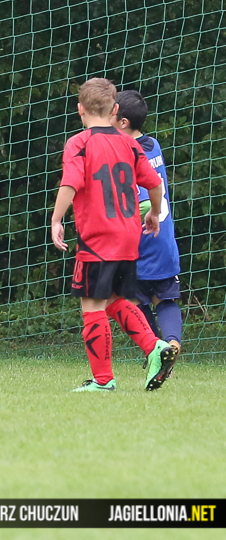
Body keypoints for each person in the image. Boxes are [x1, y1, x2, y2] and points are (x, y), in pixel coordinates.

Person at [50, 78, 177, 392]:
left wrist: (56, 219)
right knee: (114, 300)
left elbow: (70, 183)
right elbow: (154, 183)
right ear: (115, 109)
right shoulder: (130, 143)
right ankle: (156, 346)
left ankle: (103, 380)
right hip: (129, 236)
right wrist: (154, 212)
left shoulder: (79, 143)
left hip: (98, 237)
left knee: (92, 305)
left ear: (80, 109)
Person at [112, 90, 182, 370]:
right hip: (164, 240)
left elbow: (142, 204)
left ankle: (156, 350)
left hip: (142, 239)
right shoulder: (153, 145)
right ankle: (172, 343)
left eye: (111, 115)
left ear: (123, 122)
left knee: (128, 298)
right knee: (165, 298)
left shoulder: (126, 154)